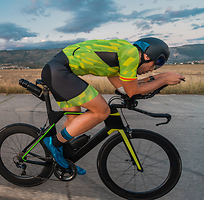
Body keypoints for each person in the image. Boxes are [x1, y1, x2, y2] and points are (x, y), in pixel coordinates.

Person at [41, 37, 185, 175]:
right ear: (147, 56)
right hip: (60, 72)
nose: (153, 69)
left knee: (74, 121)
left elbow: (126, 88)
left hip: (55, 70)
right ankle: (54, 142)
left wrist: (162, 77)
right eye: (157, 63)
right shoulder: (131, 55)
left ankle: (61, 159)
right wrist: (164, 79)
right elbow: (133, 91)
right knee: (102, 111)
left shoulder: (125, 53)